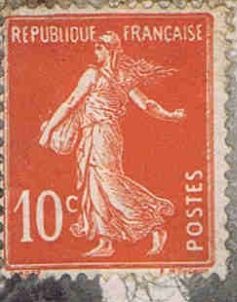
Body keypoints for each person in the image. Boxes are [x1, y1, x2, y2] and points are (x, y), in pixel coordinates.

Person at [37, 31, 185, 258]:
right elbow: (147, 105)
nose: (95, 52)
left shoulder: (95, 75)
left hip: (103, 134)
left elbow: (70, 103)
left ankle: (154, 224)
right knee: (94, 185)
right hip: (93, 134)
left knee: (109, 183)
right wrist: (171, 115)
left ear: (110, 50)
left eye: (99, 48)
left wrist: (48, 130)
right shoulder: (122, 77)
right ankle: (105, 242)